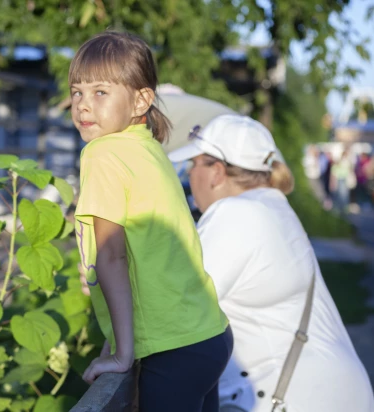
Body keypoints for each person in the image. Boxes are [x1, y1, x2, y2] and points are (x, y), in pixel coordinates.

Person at [168, 114, 374, 412]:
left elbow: (177, 306)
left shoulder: (235, 214)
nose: (189, 174)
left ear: (216, 172)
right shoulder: (271, 205)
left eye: (193, 164)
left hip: (298, 398)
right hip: (330, 391)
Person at [71, 31, 232, 411]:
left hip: (172, 348)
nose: (82, 106)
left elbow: (112, 257)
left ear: (141, 99)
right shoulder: (147, 146)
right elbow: (148, 252)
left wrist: (122, 355)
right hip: (208, 336)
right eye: (77, 92)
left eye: (99, 92)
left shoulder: (103, 154)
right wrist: (114, 341)